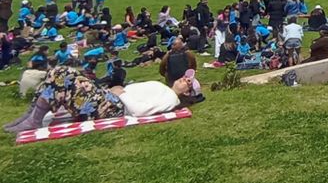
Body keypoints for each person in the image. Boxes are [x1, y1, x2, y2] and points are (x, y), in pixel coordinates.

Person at [5, 66, 201, 134]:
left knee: (62, 73)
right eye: (185, 77)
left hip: (112, 107)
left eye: (187, 83)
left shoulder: (170, 99)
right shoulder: (165, 89)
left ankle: (34, 119)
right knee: (59, 73)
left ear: (187, 94)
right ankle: (31, 116)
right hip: (108, 98)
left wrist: (120, 93)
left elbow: (140, 111)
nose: (184, 79)